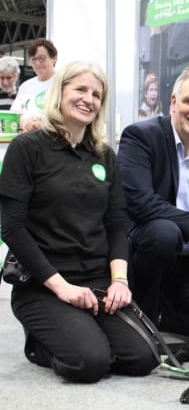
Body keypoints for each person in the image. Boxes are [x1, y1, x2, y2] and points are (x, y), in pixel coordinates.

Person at [0, 61, 159, 382]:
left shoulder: (104, 157)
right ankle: (42, 341)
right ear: (60, 93)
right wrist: (62, 288)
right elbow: (12, 228)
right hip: (42, 285)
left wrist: (120, 282)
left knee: (144, 358)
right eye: (80, 89)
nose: (89, 99)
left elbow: (116, 225)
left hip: (97, 281)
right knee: (91, 362)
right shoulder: (26, 149)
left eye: (97, 94)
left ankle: (81, 331)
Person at [118, 66, 189, 337]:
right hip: (151, 254)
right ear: (173, 102)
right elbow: (140, 201)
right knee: (165, 232)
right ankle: (142, 311)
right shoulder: (141, 137)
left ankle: (163, 313)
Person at [10, 38, 58, 133]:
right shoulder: (25, 86)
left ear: (54, 58)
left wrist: (43, 123)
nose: (37, 63)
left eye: (42, 58)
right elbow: (14, 113)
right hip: (26, 139)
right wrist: (23, 121)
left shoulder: (63, 83)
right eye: (33, 59)